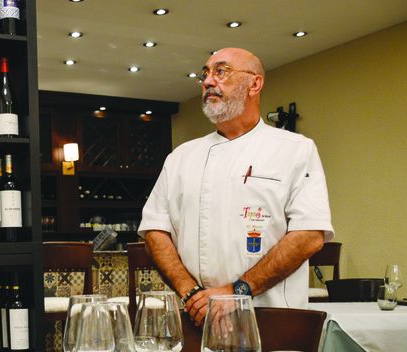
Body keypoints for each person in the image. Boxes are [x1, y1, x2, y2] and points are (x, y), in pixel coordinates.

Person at [138, 47, 334, 325]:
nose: (208, 81)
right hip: (196, 320)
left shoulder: (295, 149)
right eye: (205, 74)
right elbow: (155, 231)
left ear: (255, 83)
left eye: (221, 71)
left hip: (274, 319)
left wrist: (237, 292)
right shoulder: (181, 157)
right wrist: (191, 294)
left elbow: (309, 235)